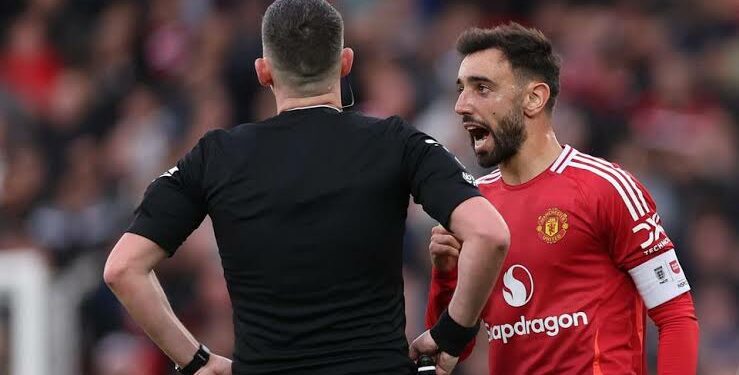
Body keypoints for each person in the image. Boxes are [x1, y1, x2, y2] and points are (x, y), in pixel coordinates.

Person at [103, 1, 510, 374]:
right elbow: (489, 233)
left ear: (264, 71)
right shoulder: (396, 142)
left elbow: (124, 268)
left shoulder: (217, 157)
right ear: (346, 62)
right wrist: (452, 333)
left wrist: (196, 361)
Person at [425, 23, 699, 374]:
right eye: (460, 90)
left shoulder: (606, 187)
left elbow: (675, 314)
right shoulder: (475, 209)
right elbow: (453, 351)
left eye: (482, 88)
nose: (461, 105)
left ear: (534, 98)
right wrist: (446, 276)